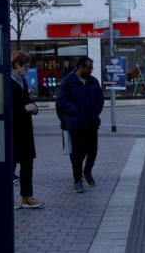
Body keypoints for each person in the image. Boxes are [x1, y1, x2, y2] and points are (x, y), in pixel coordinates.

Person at [56, 56, 104, 193]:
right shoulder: (68, 81)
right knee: (76, 154)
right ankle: (77, 179)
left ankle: (87, 171)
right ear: (80, 67)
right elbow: (61, 100)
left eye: (91, 68)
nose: (91, 70)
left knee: (92, 150)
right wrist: (75, 111)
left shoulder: (93, 81)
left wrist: (96, 111)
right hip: (75, 124)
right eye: (88, 68)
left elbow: (100, 98)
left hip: (91, 122)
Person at [11, 51, 45, 209]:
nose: (27, 70)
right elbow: (6, 107)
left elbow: (28, 100)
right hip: (13, 129)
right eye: (25, 67)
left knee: (27, 163)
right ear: (16, 65)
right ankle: (8, 197)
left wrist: (34, 108)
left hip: (25, 129)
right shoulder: (7, 81)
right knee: (10, 165)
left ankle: (27, 196)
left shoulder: (22, 81)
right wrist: (25, 108)